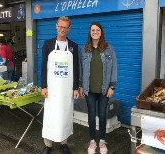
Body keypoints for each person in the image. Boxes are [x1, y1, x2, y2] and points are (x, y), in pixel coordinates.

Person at [41, 16, 80, 154]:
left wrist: (76, 87)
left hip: (66, 90)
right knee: (50, 115)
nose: (62, 29)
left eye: (65, 27)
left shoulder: (73, 46)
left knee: (65, 115)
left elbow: (76, 69)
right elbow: (44, 67)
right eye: (60, 26)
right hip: (52, 89)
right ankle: (48, 145)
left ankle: (64, 144)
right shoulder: (48, 44)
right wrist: (43, 86)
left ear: (69, 29)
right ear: (56, 26)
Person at [79, 22, 117, 154]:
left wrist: (112, 86)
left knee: (102, 115)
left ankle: (101, 141)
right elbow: (81, 69)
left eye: (97, 30)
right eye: (93, 30)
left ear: (101, 32)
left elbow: (114, 68)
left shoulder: (108, 48)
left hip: (104, 90)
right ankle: (92, 141)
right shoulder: (84, 49)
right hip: (89, 89)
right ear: (90, 33)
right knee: (91, 116)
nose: (95, 32)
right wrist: (80, 86)